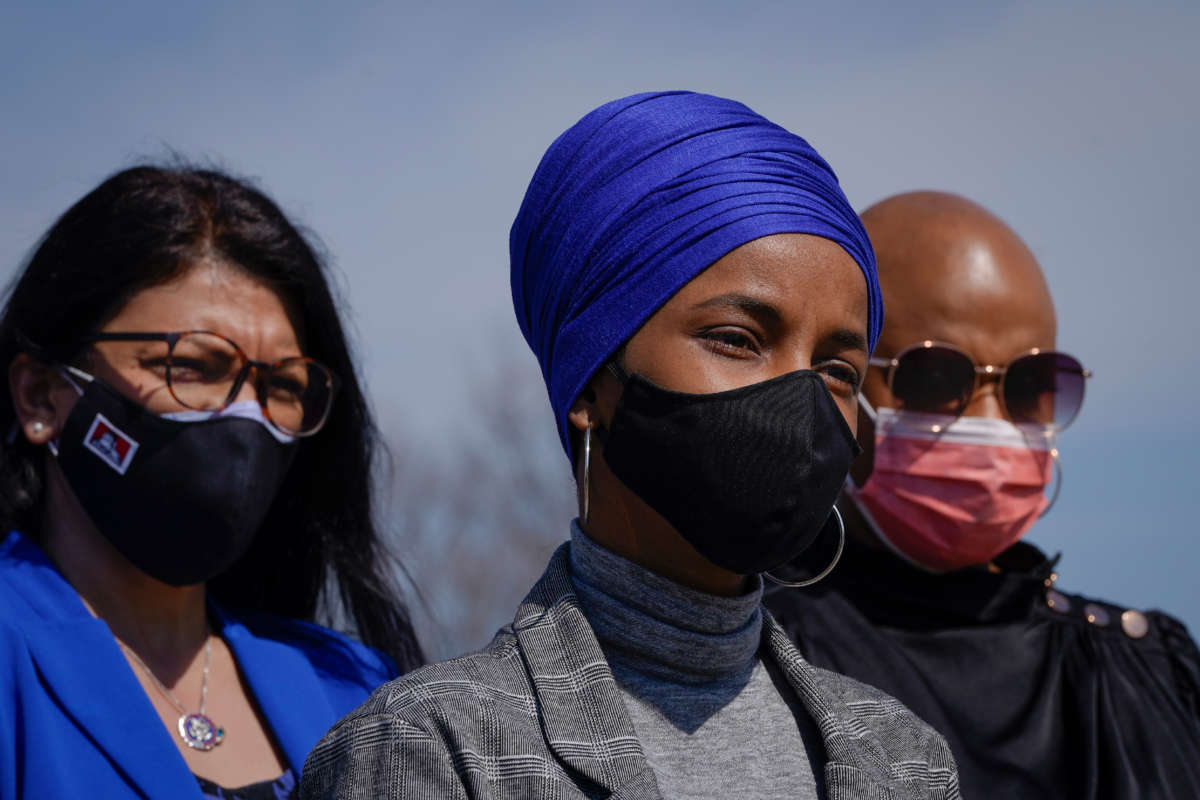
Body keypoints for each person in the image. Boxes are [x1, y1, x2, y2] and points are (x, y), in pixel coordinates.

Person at [301, 91, 961, 800]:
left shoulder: (905, 760)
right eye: (738, 340)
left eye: (836, 370)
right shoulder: (434, 747)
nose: (798, 401)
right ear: (591, 384)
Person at [0, 165, 424, 799]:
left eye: (282, 386)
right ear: (41, 396)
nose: (243, 417)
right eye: (193, 366)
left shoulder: (354, 688)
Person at [765, 190, 1200, 799]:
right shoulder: (752, 655)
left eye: (1032, 384)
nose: (991, 421)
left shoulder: (1145, 670)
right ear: (836, 384)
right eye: (936, 377)